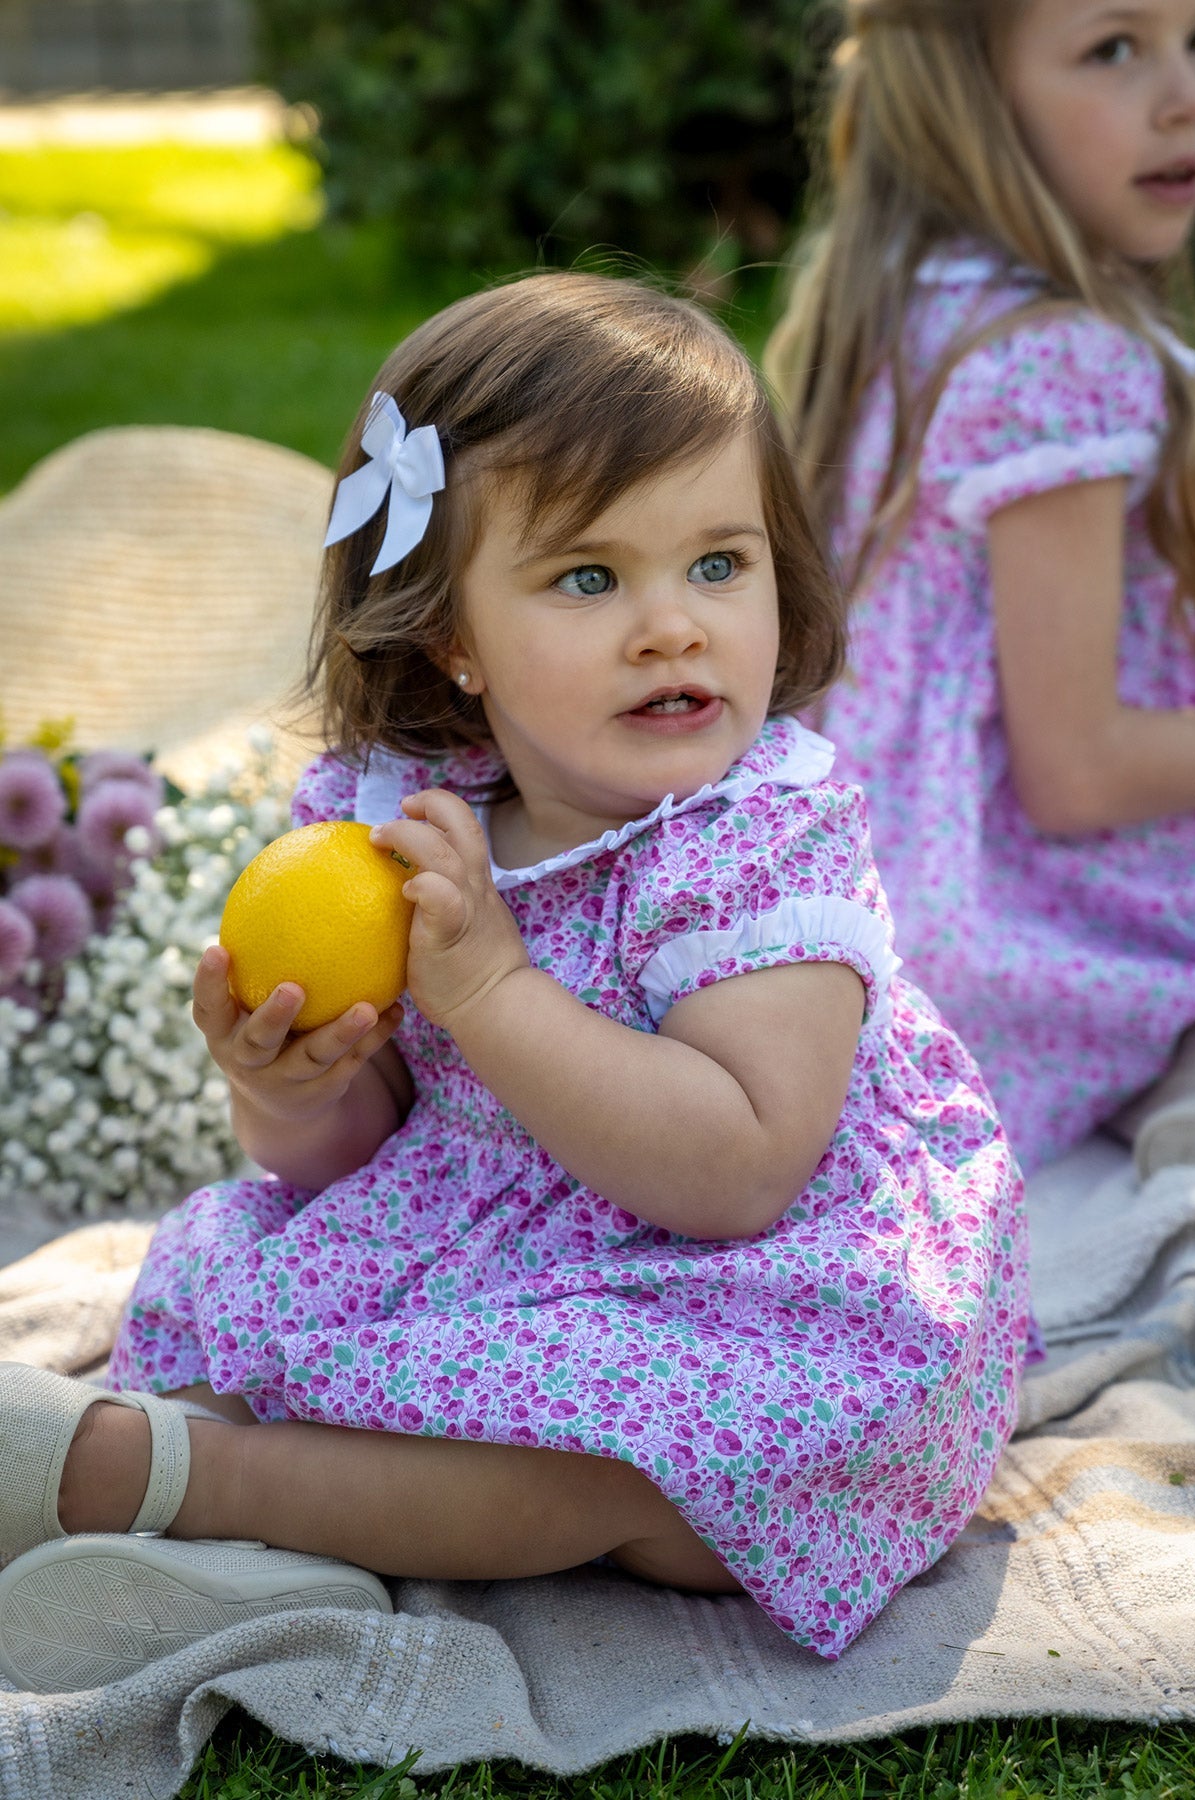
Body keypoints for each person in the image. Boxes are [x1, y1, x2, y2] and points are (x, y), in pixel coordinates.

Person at [0, 272, 1029, 1691]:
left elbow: (738, 1169)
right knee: (367, 1365)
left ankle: (164, 1480)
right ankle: (276, 1546)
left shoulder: (762, 836)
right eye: (590, 578)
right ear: (453, 640)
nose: (671, 625)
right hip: (514, 1257)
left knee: (640, 1484)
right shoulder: (411, 822)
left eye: (718, 564)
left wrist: (492, 992)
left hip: (768, 1291)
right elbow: (354, 1149)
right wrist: (292, 1085)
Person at [765, 0, 1195, 1178]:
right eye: (1114, 48)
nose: (1181, 95)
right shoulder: (1061, 357)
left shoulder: (918, 304)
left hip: (882, 895)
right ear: (969, 94)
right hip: (1016, 937)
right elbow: (1079, 769)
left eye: (1193, 41)